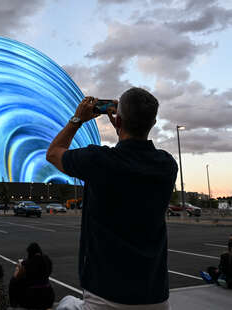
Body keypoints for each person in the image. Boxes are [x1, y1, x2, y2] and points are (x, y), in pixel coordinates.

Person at [47, 88, 178, 309]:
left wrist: (77, 118)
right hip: (155, 296)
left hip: (105, 296)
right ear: (153, 123)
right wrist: (121, 123)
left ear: (118, 121)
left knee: (65, 304)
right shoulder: (167, 165)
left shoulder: (98, 160)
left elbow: (53, 152)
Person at [9, 242, 54, 309]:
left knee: (13, 282)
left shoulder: (27, 263)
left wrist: (18, 268)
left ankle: (14, 304)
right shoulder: (47, 260)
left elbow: (16, 277)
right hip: (48, 298)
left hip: (31, 299)